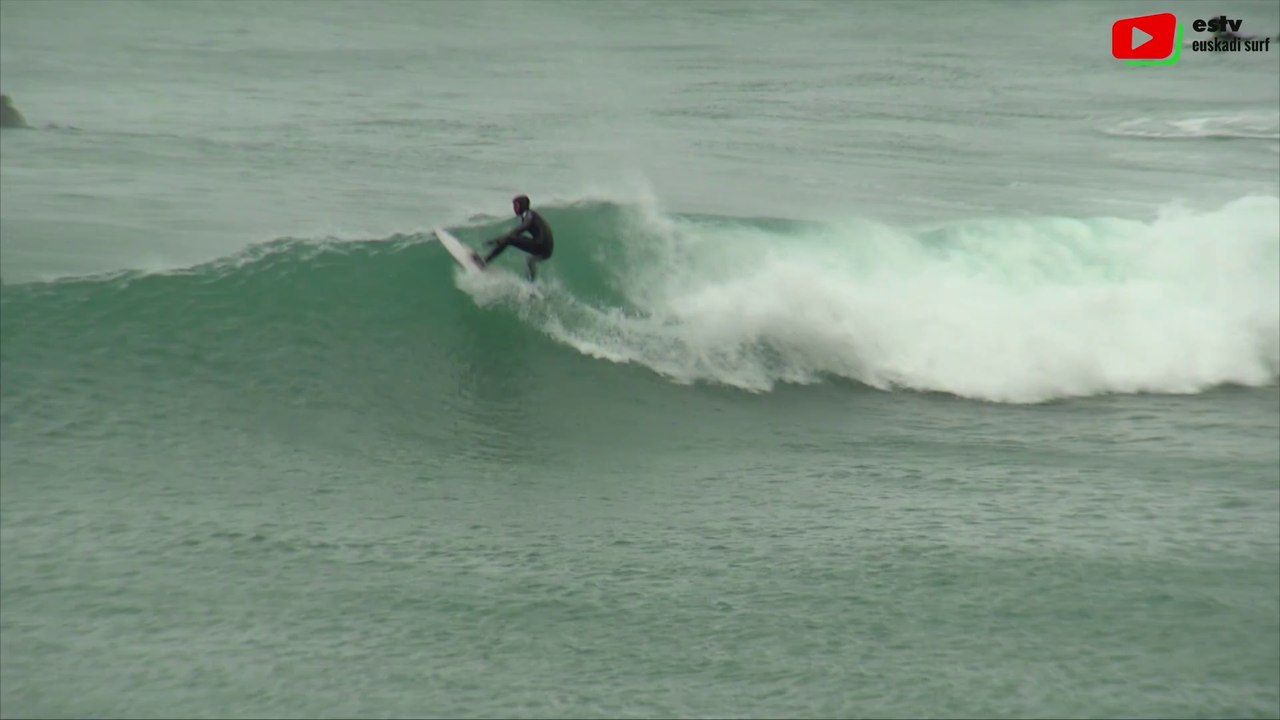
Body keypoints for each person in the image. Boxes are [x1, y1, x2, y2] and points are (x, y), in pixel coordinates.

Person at [480, 194, 554, 281]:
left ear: (522, 206)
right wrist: (501, 240)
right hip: (547, 250)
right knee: (530, 260)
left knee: (509, 239)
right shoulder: (530, 215)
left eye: (516, 205)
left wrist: (500, 239)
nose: (514, 208)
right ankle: (530, 284)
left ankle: (484, 261)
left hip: (540, 245)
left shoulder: (528, 214)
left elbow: (523, 227)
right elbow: (518, 233)